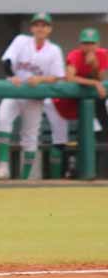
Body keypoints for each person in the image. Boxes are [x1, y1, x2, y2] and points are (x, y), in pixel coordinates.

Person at [0, 12, 65, 180]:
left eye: (44, 25)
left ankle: (25, 177)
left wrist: (41, 79)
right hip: (15, 91)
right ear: (32, 27)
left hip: (34, 96)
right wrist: (12, 75)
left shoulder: (54, 50)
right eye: (37, 24)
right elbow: (7, 61)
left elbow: (58, 76)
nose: (40, 28)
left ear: (49, 29)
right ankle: (3, 167)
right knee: (2, 121)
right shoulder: (21, 41)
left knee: (30, 136)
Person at [43, 27, 108, 178]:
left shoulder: (102, 54)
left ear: (97, 44)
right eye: (85, 43)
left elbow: (100, 77)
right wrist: (94, 83)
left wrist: (94, 66)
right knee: (61, 140)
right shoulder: (75, 55)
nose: (89, 46)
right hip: (63, 102)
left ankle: (97, 173)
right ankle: (60, 177)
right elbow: (70, 78)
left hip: (84, 104)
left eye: (92, 43)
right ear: (80, 44)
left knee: (98, 135)